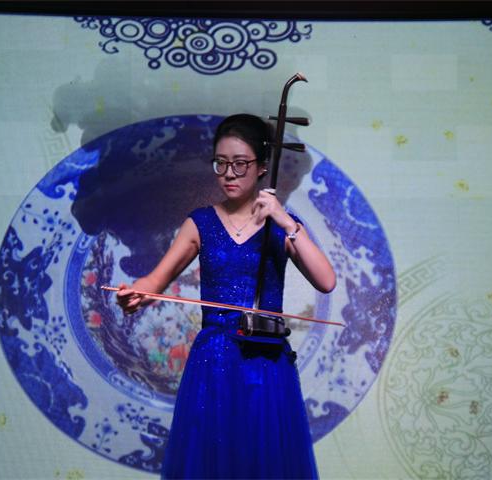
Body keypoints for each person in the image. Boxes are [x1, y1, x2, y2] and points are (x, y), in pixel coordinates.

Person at [116, 113, 336, 479]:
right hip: (214, 361)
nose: (229, 174)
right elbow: (154, 281)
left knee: (263, 458)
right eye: (221, 163)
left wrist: (285, 221)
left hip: (265, 360)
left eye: (240, 163)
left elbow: (326, 281)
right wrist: (136, 294)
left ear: (262, 166)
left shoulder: (281, 225)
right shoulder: (200, 222)